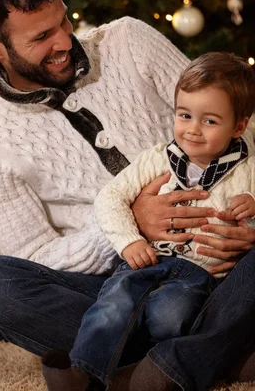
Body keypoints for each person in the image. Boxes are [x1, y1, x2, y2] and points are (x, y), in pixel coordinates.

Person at [0, 0, 255, 391]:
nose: (64, 41)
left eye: (63, 21)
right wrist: (127, 225)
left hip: (224, 258)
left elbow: (233, 118)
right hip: (118, 288)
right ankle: (222, 347)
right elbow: (33, 256)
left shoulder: (129, 41)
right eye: (42, 37)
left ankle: (160, 364)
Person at [43, 52, 255, 390]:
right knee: (114, 302)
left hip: (199, 274)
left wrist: (252, 212)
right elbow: (111, 197)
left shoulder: (249, 169)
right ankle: (84, 371)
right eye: (185, 115)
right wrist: (130, 240)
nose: (193, 130)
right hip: (146, 259)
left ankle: (158, 362)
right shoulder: (158, 159)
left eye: (210, 121)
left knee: (169, 316)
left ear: (240, 126)